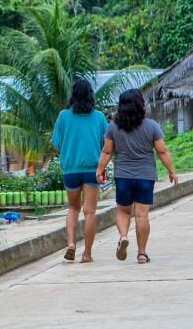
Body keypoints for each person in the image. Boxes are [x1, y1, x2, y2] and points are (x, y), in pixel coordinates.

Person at [96, 88, 177, 264]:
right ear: (141, 104)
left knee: (123, 210)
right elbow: (162, 151)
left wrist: (99, 170)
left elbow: (107, 151)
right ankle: (141, 253)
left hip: (123, 176)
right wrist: (172, 171)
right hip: (145, 176)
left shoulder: (113, 127)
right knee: (141, 215)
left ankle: (123, 236)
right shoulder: (152, 126)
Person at [51, 79, 108, 263]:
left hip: (70, 170)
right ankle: (87, 254)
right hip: (92, 170)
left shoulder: (63, 116)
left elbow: (57, 143)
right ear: (91, 94)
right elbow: (106, 145)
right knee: (90, 212)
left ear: (73, 95)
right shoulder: (99, 117)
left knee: (73, 208)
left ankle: (71, 244)